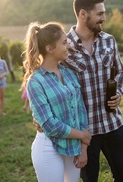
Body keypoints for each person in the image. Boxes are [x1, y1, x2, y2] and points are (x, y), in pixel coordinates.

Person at [66, 0, 123, 182]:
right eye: (100, 14)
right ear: (83, 14)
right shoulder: (64, 46)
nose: (104, 18)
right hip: (84, 132)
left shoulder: (109, 40)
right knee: (89, 179)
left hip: (113, 124)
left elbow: (120, 71)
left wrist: (118, 91)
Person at [23, 21, 92, 182]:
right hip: (49, 148)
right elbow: (48, 124)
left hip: (73, 147)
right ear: (49, 49)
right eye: (64, 42)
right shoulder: (35, 81)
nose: (68, 45)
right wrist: (82, 135)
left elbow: (81, 111)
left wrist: (83, 148)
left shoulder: (69, 73)